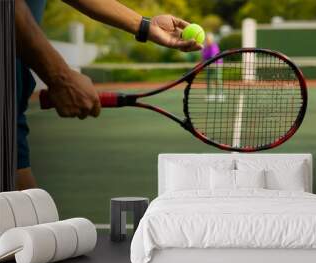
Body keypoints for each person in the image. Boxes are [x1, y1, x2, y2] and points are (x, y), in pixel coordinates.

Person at [15, 0, 202, 190]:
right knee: (23, 211)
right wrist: (60, 77)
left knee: (24, 209)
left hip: (13, 112)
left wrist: (145, 26)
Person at [201, 33, 222, 100]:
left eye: (208, 39)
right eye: (206, 39)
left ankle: (219, 94)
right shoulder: (205, 47)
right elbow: (204, 57)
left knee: (218, 80)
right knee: (209, 80)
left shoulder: (214, 46)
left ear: (211, 39)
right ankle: (210, 94)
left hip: (216, 65)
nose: (207, 40)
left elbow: (213, 56)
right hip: (208, 66)